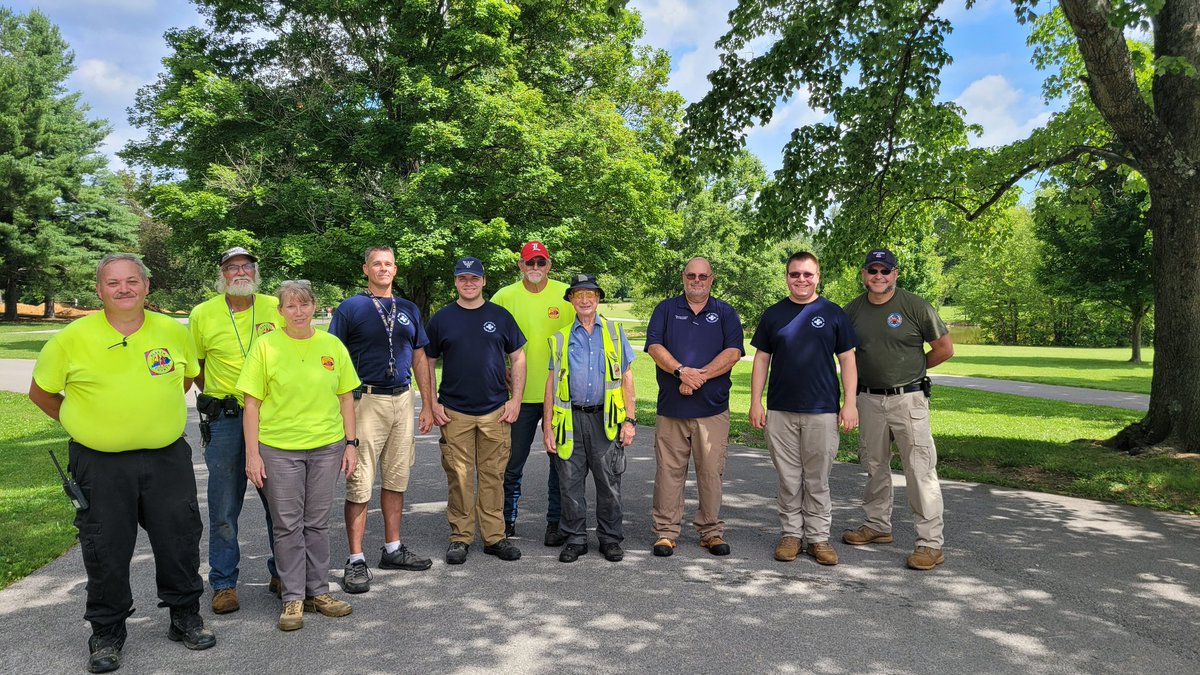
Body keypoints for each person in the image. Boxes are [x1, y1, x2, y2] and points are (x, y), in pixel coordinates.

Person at [29, 253, 214, 674]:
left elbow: (184, 377)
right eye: (113, 283)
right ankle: (107, 631)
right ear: (99, 290)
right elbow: (41, 394)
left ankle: (184, 615)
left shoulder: (172, 331)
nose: (124, 289)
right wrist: (84, 422)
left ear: (147, 286)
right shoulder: (71, 339)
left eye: (133, 281)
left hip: (166, 458)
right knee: (105, 546)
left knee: (179, 537)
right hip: (100, 464)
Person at [238, 280, 360, 631]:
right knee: (288, 524)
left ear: (314, 307)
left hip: (326, 447)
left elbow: (346, 397)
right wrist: (252, 455)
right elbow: (251, 404)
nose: (298, 311)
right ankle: (293, 598)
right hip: (279, 450)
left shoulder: (332, 345)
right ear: (280, 312)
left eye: (304, 304)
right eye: (290, 306)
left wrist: (351, 444)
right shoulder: (265, 347)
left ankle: (318, 592)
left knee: (317, 523)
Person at [842, 248, 954, 570]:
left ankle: (930, 544)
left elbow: (944, 349)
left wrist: (914, 371)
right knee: (874, 463)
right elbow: (844, 354)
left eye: (884, 271)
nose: (878, 276)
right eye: (872, 271)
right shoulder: (852, 311)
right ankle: (877, 525)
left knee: (919, 469)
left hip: (909, 399)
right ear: (864, 274)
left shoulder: (914, 306)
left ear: (895, 274)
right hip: (868, 399)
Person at [330, 246, 434, 594]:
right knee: (360, 481)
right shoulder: (351, 308)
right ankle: (355, 559)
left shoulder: (408, 309)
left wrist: (428, 405)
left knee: (396, 476)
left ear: (395, 270)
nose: (383, 269)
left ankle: (392, 548)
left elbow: (420, 357)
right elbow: (331, 358)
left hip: (403, 399)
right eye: (377, 263)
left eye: (388, 264)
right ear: (366, 269)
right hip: (365, 400)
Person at [750, 252, 858, 566]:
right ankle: (791, 535)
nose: (801, 280)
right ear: (786, 277)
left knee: (817, 479)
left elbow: (848, 359)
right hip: (781, 410)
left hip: (822, 410)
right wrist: (756, 401)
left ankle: (819, 538)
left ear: (818, 277)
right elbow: (761, 360)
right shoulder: (773, 315)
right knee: (788, 478)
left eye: (807, 274)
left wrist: (849, 403)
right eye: (795, 274)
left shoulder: (833, 313)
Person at [188, 246, 281, 614]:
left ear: (256, 271)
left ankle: (283, 573)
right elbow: (194, 366)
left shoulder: (275, 305)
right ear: (221, 274)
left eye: (246, 266)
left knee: (280, 503)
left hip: (273, 419)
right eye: (231, 267)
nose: (240, 272)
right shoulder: (202, 314)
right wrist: (220, 398)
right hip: (225, 420)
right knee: (224, 506)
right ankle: (224, 583)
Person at [420, 257, 526, 565]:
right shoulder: (442, 319)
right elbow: (426, 361)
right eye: (463, 278)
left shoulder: (500, 316)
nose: (469, 282)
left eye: (474, 278)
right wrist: (431, 403)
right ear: (455, 281)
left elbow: (518, 357)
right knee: (460, 477)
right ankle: (460, 537)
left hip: (495, 409)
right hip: (454, 412)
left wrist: (515, 399)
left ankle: (494, 537)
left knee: (493, 475)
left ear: (483, 281)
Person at [645, 257, 744, 557]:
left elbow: (733, 352)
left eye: (703, 276)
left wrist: (697, 377)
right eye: (691, 275)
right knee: (668, 473)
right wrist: (680, 372)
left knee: (711, 472)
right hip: (672, 409)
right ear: (683, 278)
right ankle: (665, 532)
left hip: (712, 410)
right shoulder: (665, 309)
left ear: (712, 279)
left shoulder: (725, 312)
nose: (697, 281)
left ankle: (711, 531)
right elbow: (654, 347)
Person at [543, 274, 637, 564]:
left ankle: (610, 539)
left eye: (590, 294)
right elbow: (550, 383)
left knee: (609, 482)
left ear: (598, 299)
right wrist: (547, 426)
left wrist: (630, 420)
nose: (584, 299)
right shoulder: (560, 338)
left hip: (605, 420)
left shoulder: (614, 333)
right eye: (578, 294)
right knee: (569, 483)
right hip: (570, 420)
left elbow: (627, 378)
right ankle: (575, 538)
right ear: (571, 299)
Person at [490, 240, 575, 546]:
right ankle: (506, 520)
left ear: (549, 265)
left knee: (559, 462)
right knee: (512, 462)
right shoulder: (504, 296)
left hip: (560, 393)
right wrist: (501, 370)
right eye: (530, 263)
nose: (535, 268)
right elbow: (489, 341)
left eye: (541, 263)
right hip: (519, 396)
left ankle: (555, 522)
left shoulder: (567, 295)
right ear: (520, 265)